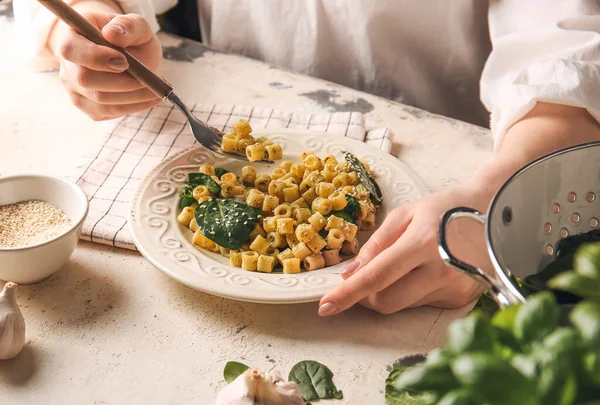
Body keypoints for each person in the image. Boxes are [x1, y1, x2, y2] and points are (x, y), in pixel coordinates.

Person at [14, 0, 600, 316]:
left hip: (461, 145)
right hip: (232, 87)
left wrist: (492, 207)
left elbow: (568, 58)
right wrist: (92, 20)